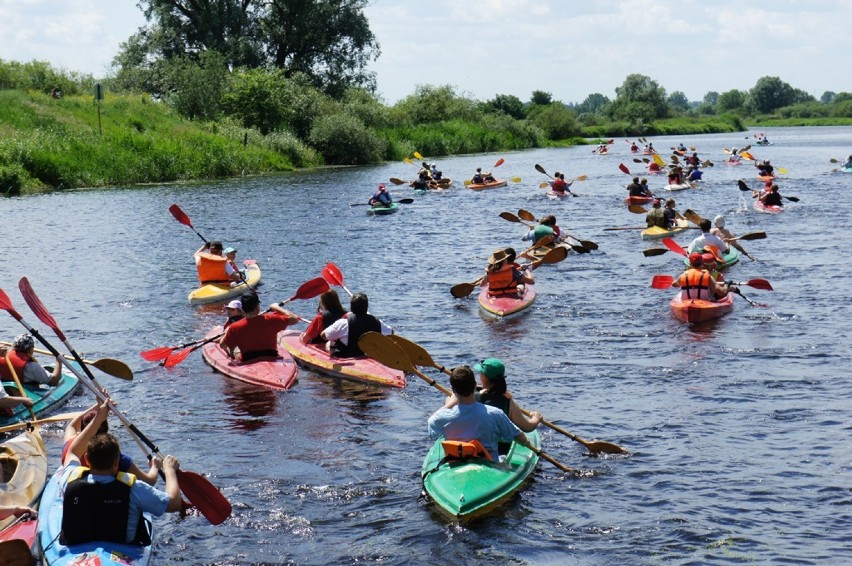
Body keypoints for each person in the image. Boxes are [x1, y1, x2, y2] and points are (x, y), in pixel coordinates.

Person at [60, 432, 182, 546]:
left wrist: (98, 415)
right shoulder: (134, 488)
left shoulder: (69, 479)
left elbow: (72, 452)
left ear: (86, 459)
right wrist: (169, 471)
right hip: (122, 552)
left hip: (77, 553)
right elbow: (175, 503)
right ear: (117, 462)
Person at [427, 366, 535, 462]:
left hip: (456, 462)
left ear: (452, 390)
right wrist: (526, 442)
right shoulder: (495, 413)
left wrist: (449, 404)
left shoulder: (442, 418)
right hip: (488, 463)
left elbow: (432, 425)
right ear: (475, 385)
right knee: (503, 458)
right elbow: (518, 437)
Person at [62, 398, 161, 486]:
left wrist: (97, 407)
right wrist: (155, 467)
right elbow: (149, 482)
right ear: (106, 430)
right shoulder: (114, 456)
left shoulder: (70, 446)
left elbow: (72, 426)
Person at [220, 293, 300, 362]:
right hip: (271, 356)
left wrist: (227, 332)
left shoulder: (235, 327)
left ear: (243, 309)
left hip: (247, 360)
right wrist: (277, 308)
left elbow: (223, 345)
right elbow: (295, 319)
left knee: (234, 350)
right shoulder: (271, 319)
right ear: (257, 307)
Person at [321, 293, 393, 358]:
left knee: (328, 343)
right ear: (366, 307)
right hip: (369, 355)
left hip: (348, 356)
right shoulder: (377, 322)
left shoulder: (343, 323)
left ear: (351, 308)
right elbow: (391, 332)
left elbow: (324, 335)